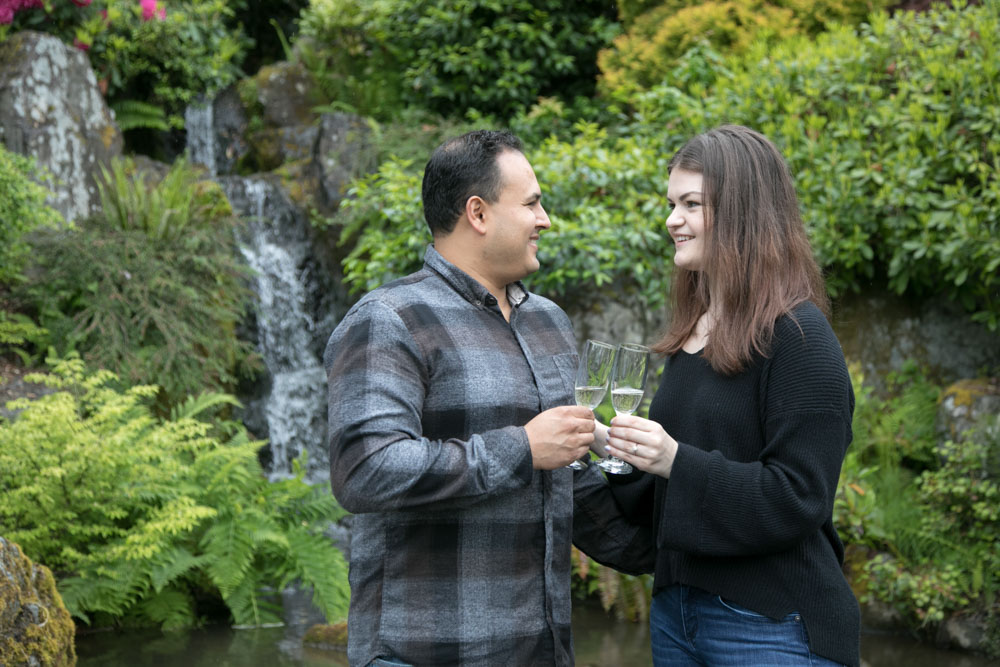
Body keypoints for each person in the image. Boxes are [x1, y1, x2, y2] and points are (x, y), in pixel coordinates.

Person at [324, 129, 653, 667]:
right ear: (477, 213)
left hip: (542, 651)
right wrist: (521, 449)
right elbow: (364, 470)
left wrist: (685, 545)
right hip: (424, 655)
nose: (545, 219)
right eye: (531, 203)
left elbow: (568, 485)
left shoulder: (548, 321)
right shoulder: (389, 320)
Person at [599, 125, 860, 666]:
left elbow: (799, 497)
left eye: (691, 204)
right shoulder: (692, 334)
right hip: (677, 614)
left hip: (773, 626)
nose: (672, 220)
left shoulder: (799, 339)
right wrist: (615, 451)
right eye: (672, 203)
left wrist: (674, 459)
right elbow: (669, 501)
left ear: (742, 212)